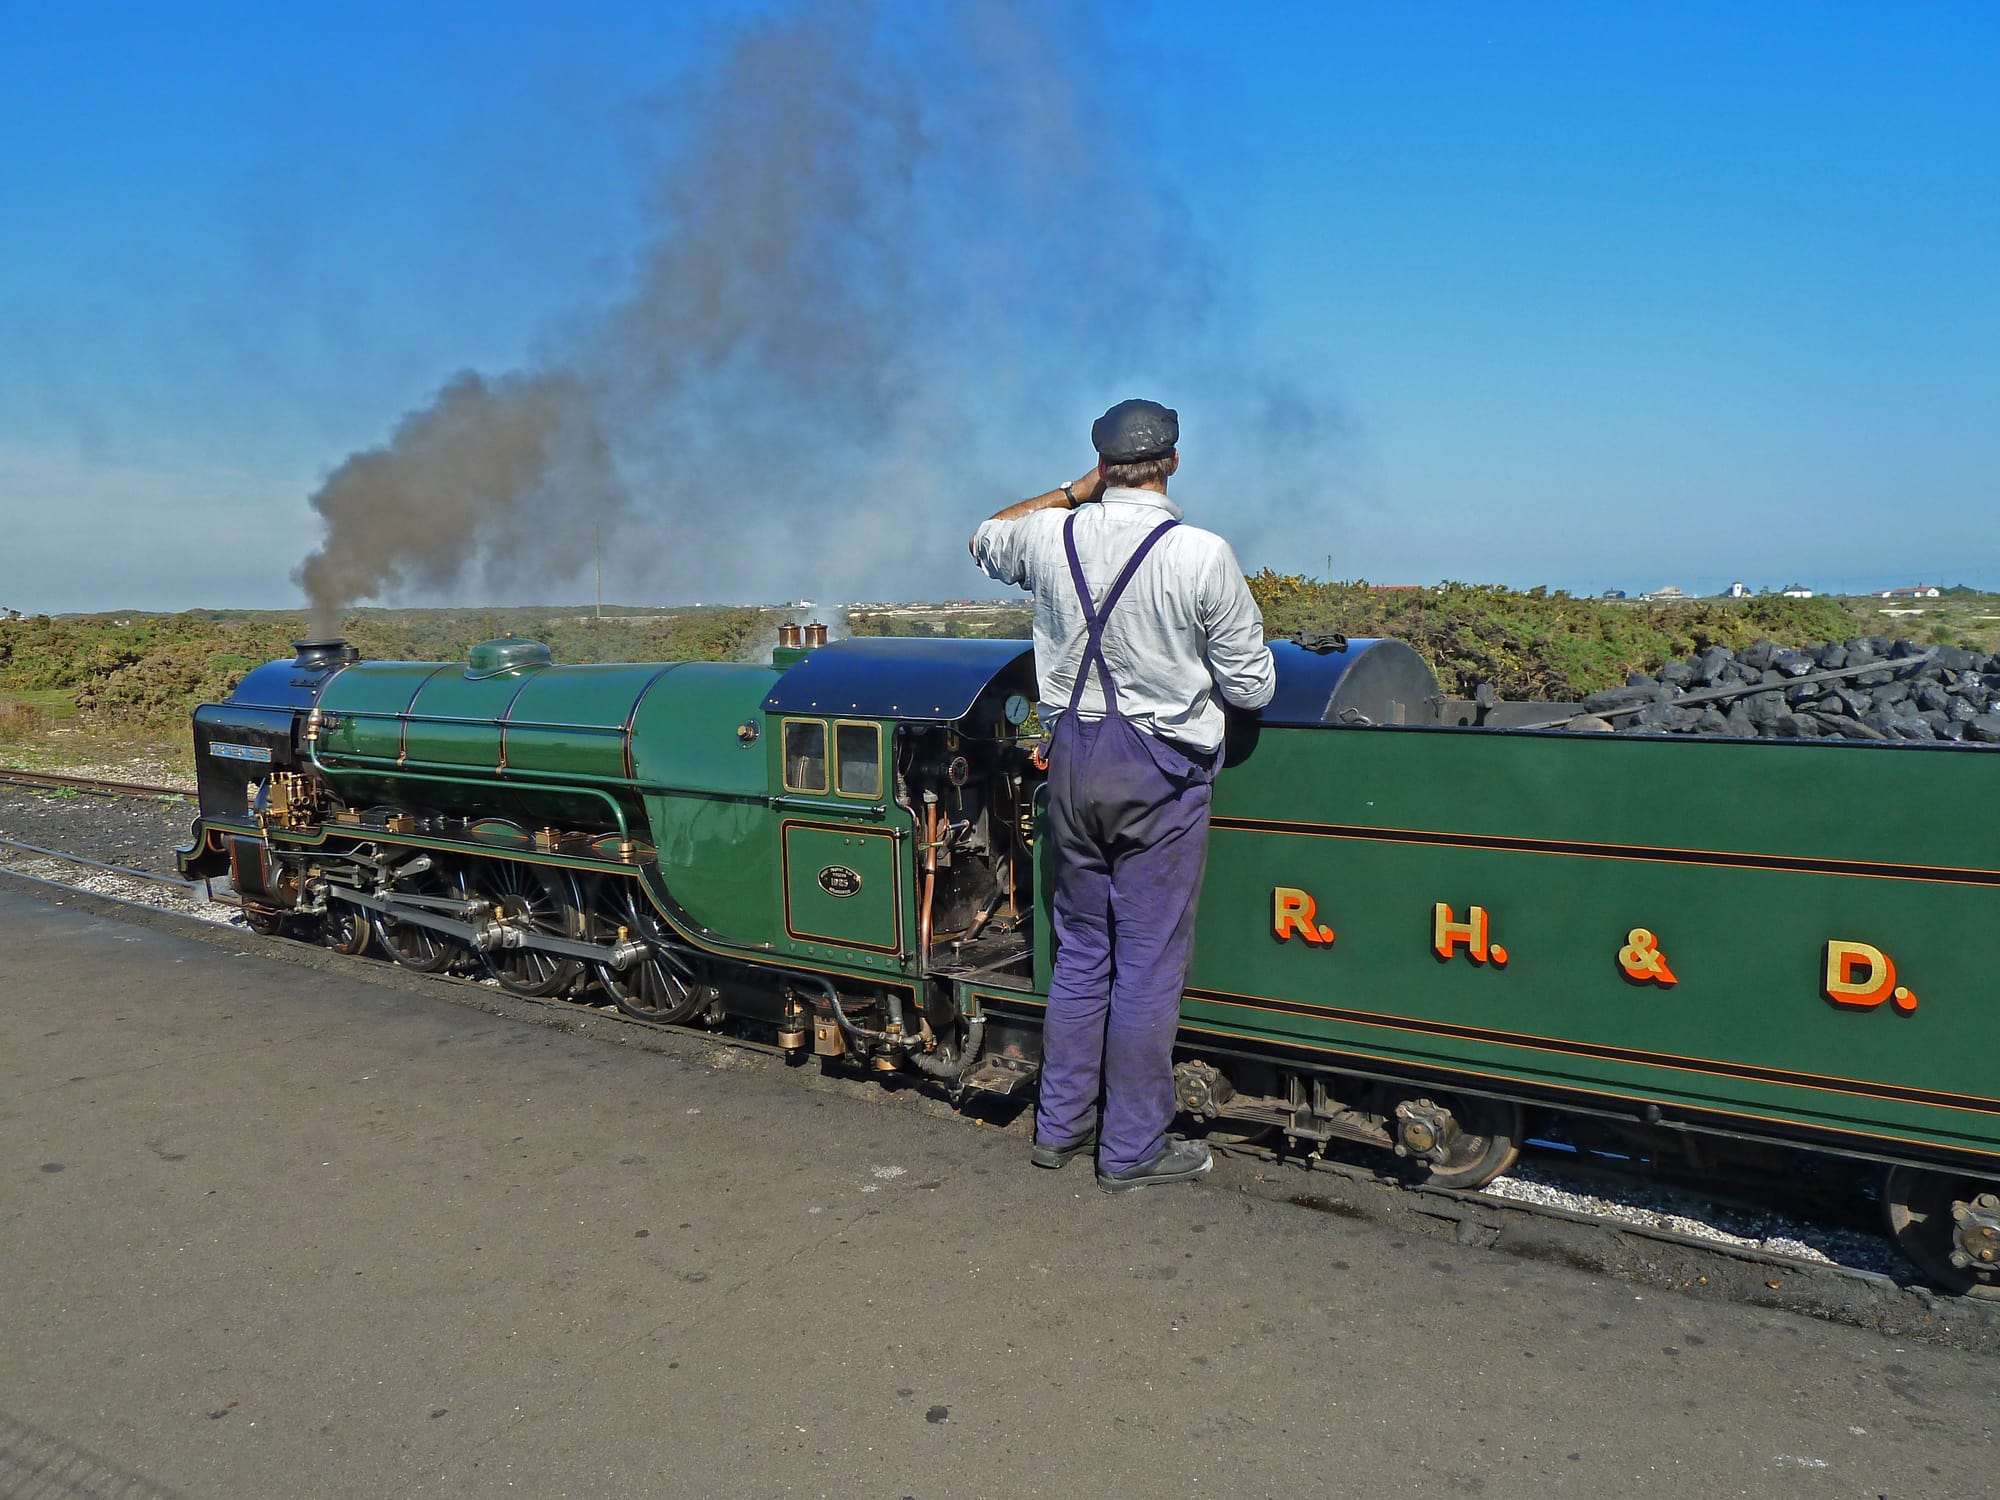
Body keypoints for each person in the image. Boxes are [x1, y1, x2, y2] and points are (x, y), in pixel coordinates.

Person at [969, 399, 1276, 1192]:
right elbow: (1253, 682)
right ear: (1172, 461)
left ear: (1101, 464)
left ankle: (1059, 1128)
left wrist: (1070, 494)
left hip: (1071, 757)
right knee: (1145, 964)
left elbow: (985, 535)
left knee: (1080, 954)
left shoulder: (1050, 532)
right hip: (1158, 771)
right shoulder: (1202, 555)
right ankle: (1133, 1149)